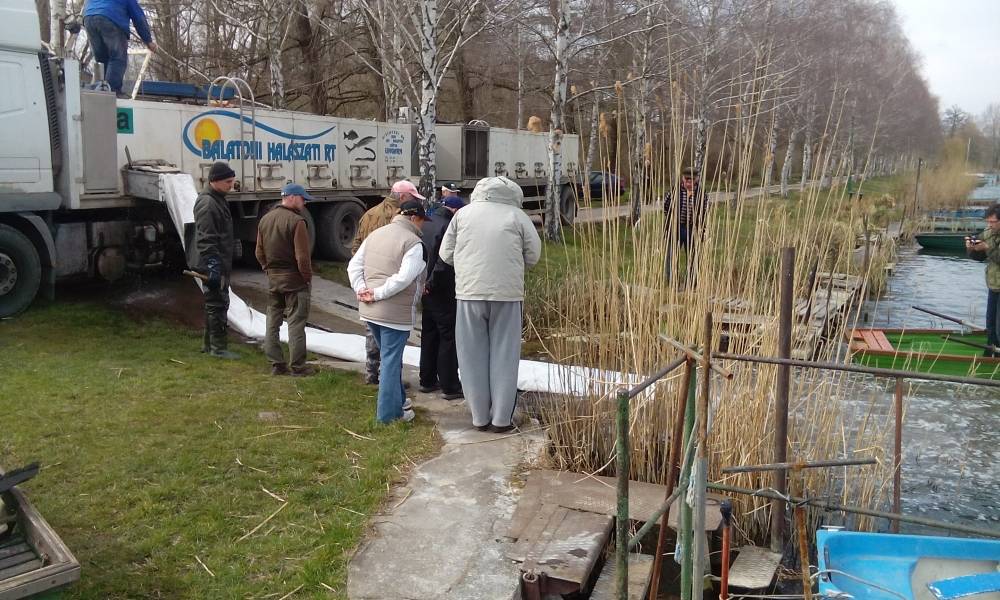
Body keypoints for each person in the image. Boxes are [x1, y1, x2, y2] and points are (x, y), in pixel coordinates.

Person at [439, 176, 541, 433]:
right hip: (507, 294)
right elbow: (533, 255)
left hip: (469, 292)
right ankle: (501, 419)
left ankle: (479, 417)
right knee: (504, 356)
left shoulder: (462, 215)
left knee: (471, 355)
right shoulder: (517, 217)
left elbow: (445, 254)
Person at [347, 200, 428, 424]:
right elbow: (404, 278)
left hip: (369, 311)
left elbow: (353, 266)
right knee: (391, 364)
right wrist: (378, 293)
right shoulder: (414, 243)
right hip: (394, 315)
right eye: (422, 220)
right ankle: (389, 416)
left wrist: (361, 289)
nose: (423, 226)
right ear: (414, 218)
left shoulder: (376, 234)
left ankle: (400, 402)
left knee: (387, 358)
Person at [353, 180, 426, 385]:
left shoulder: (369, 214)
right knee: (391, 340)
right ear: (403, 197)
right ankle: (390, 379)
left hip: (367, 280)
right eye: (413, 196)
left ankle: (371, 372)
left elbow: (357, 245)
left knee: (371, 331)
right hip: (389, 286)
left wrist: (362, 281)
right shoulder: (399, 218)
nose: (415, 199)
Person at [255, 183, 316, 376]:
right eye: (302, 198)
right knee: (296, 322)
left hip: (274, 280)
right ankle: (298, 366)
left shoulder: (265, 220)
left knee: (272, 322)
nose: (304, 202)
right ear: (291, 197)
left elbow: (258, 252)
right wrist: (306, 277)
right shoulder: (297, 222)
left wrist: (268, 269)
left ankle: (276, 364)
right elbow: (302, 257)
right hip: (295, 281)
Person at [418, 195, 466, 399]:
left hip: (424, 288)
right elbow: (443, 261)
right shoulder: (448, 227)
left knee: (428, 333)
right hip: (440, 289)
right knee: (447, 336)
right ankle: (450, 385)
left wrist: (423, 284)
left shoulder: (427, 223)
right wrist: (432, 283)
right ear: (455, 211)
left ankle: (427, 380)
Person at [192, 161, 238, 359]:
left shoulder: (217, 198)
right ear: (215, 181)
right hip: (212, 263)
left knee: (215, 303)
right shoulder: (208, 203)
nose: (231, 184)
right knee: (218, 303)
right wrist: (213, 266)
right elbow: (206, 238)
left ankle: (209, 345)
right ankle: (218, 349)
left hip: (218, 261)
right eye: (228, 181)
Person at [83, 0, 157, 94]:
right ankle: (112, 92)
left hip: (88, 17)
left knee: (101, 60)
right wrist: (148, 41)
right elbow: (139, 19)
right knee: (117, 58)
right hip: (109, 17)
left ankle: (100, 91)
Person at [966, 203, 1000, 356]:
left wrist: (987, 247)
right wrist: (971, 246)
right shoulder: (988, 232)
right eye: (988, 221)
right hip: (993, 285)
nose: (989, 225)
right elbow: (979, 255)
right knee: (991, 325)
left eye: (992, 222)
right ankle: (990, 355)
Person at [663, 167, 707, 283]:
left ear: (696, 179)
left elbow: (704, 212)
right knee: (672, 256)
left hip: (692, 229)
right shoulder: (675, 191)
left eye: (691, 180)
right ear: (682, 179)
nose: (688, 182)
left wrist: (701, 230)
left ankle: (692, 283)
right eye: (686, 179)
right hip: (676, 229)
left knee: (693, 257)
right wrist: (670, 222)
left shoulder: (701, 194)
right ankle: (672, 282)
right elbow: (666, 206)